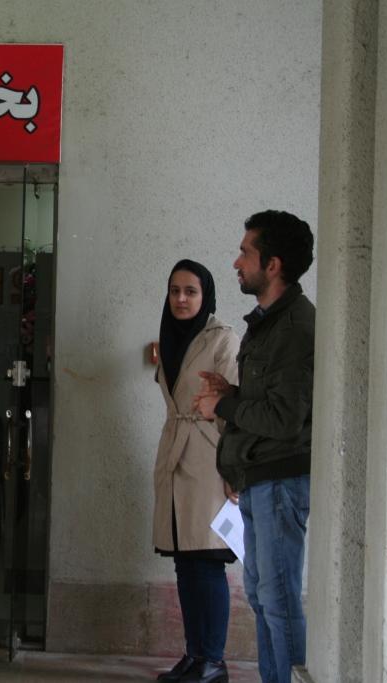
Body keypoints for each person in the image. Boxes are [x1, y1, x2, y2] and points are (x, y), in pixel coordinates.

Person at [193, 210, 315, 683]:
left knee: (278, 602)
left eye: (246, 252)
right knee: (264, 598)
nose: (236, 262)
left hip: (281, 480)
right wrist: (231, 393)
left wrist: (223, 405)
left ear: (273, 264)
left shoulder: (295, 328)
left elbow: (284, 419)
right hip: (261, 478)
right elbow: (269, 402)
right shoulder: (268, 322)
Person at [152, 260, 240, 683]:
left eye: (191, 291)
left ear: (206, 296)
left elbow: (236, 407)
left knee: (207, 560)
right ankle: (195, 655)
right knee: (185, 562)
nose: (181, 299)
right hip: (175, 456)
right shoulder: (170, 337)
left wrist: (235, 468)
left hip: (209, 459)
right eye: (175, 291)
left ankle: (213, 660)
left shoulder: (222, 338)